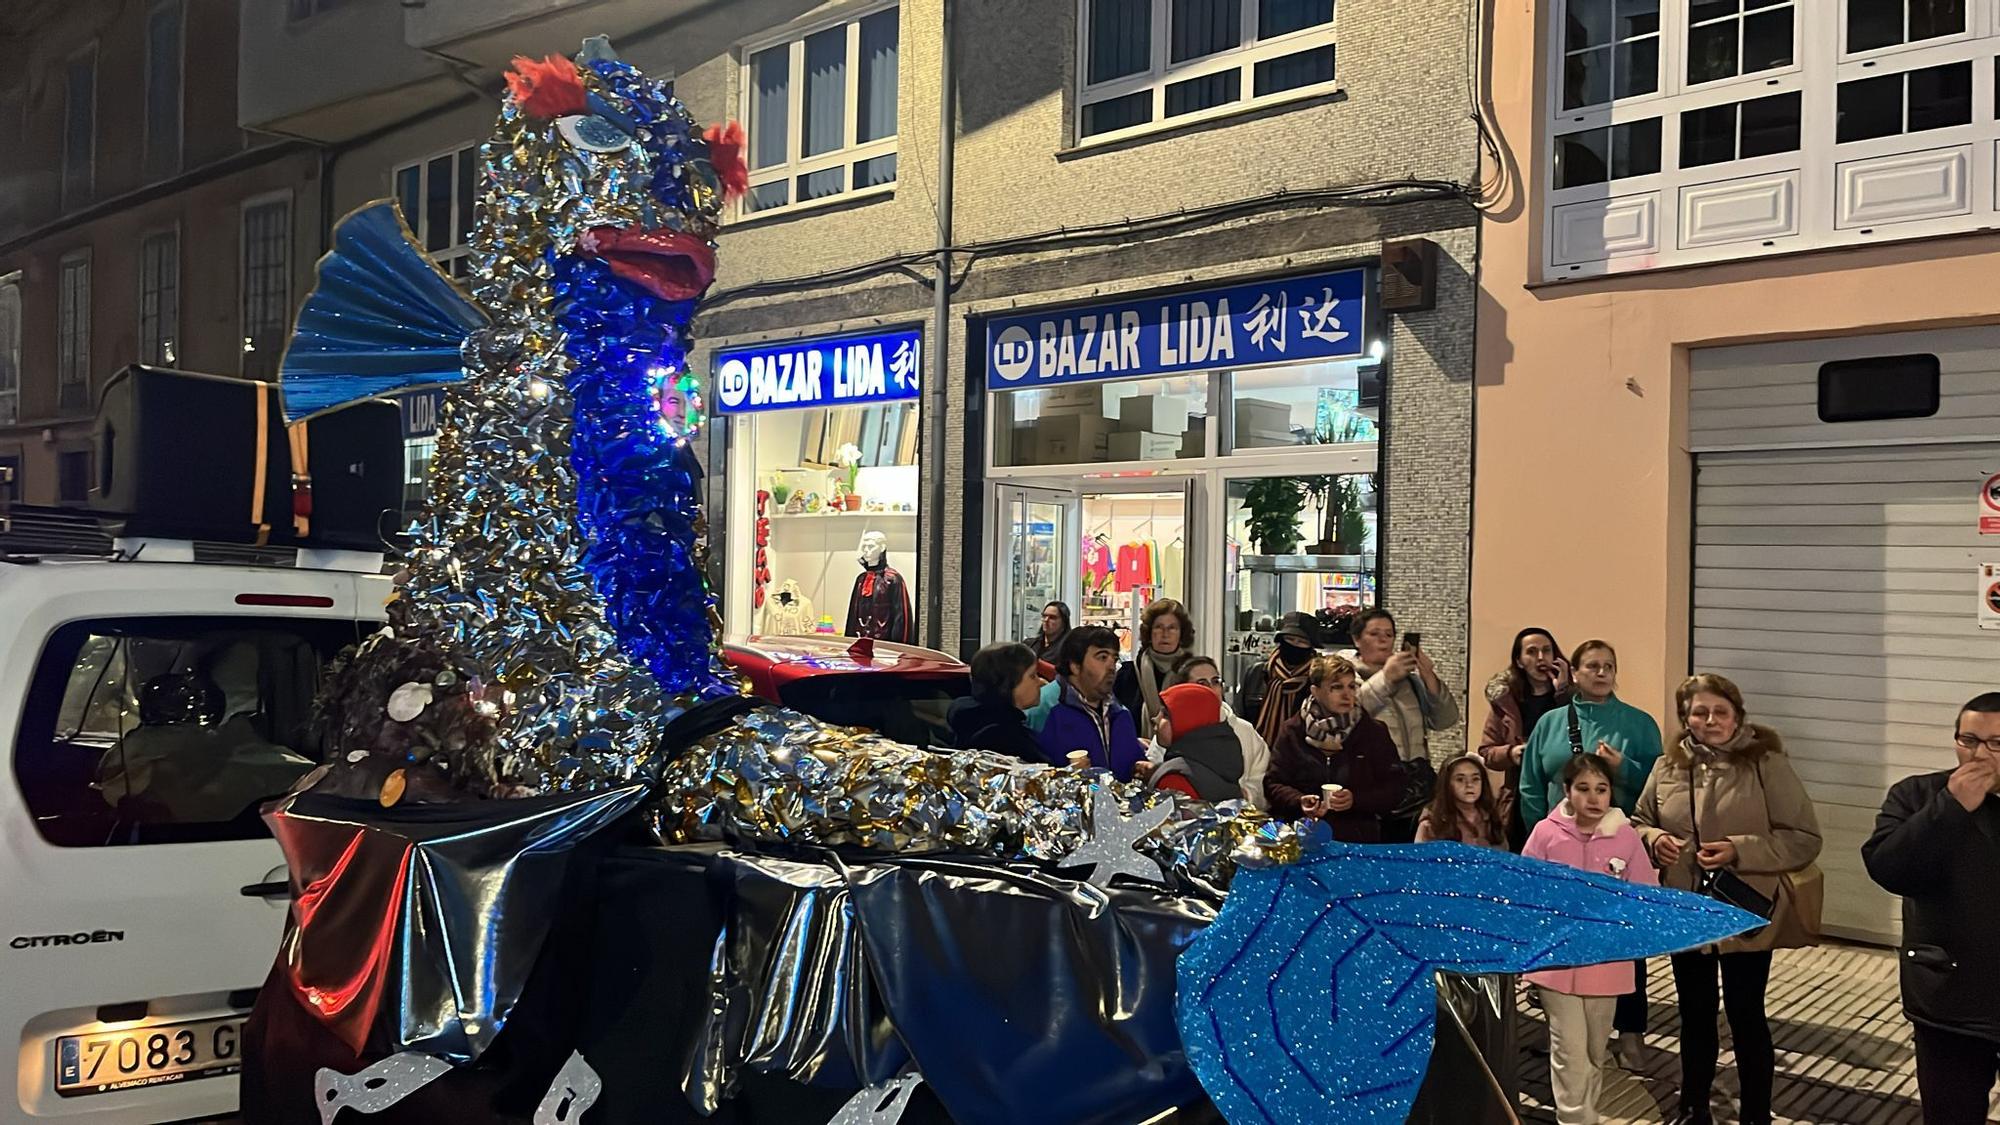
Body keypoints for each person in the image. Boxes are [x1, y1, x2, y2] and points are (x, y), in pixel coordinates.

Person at [1634, 674, 1821, 1125]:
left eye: (1720, 711)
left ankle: (1756, 1113)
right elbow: (1638, 819)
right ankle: (1693, 1106)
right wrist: (1653, 837)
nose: (1710, 720)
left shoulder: (1766, 763)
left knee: (1745, 1014)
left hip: (1743, 909)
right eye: (1699, 712)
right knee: (1694, 1015)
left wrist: (1741, 849)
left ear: (1737, 714)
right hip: (1686, 910)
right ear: (1685, 718)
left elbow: (1804, 839)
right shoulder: (1666, 767)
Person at [1519, 640, 1664, 1066]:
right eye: (1593, 666)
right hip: (1559, 849)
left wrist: (1625, 770)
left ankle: (1631, 1031)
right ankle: (1560, 1026)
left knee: (1621, 943)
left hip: (1616, 849)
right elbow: (1531, 782)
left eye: (1609, 666)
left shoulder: (1638, 724)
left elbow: (1658, 790)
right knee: (1561, 942)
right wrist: (1540, 837)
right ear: (1575, 673)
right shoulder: (1550, 722)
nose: (1602, 673)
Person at [1862, 692, 2000, 1125]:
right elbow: (1889, 869)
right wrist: (1949, 808)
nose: (1980, 754)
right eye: (1969, 740)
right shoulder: (1918, 795)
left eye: (1997, 743)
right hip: (1948, 999)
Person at [1523, 754, 1659, 1125]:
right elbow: (1524, 895)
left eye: (1601, 789)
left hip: (1606, 962)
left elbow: (1647, 894)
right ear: (1566, 791)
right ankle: (1575, 1120)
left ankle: (1587, 1113)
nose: (1593, 798)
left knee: (1595, 1050)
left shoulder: (1625, 835)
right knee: (1568, 1050)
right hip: (1557, 962)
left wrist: (1623, 918)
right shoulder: (1545, 833)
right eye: (1583, 789)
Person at [1264, 655, 1401, 842]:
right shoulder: (1293, 730)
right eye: (1336, 687)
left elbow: (1395, 787)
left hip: (1357, 839)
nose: (1347, 695)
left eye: (1351, 686)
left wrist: (1356, 800)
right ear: (1316, 691)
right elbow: (1273, 783)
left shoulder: (1372, 732)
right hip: (1302, 836)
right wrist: (1299, 800)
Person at [1480, 627, 1571, 851]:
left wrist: (1564, 692)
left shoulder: (1570, 697)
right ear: (1519, 661)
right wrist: (1511, 753)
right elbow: (1487, 752)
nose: (1541, 658)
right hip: (1519, 797)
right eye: (1532, 651)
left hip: (1563, 791)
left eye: (1546, 651)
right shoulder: (1506, 702)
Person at [1154, 654, 1270, 809]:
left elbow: (1264, 778)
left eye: (1216, 681)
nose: (1211, 688)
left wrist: (1243, 796)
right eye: (1201, 683)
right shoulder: (1167, 732)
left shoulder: (1244, 730)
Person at [1346, 607, 1460, 760]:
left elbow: (1445, 720)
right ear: (1356, 639)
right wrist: (1386, 678)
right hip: (1373, 774)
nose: (1383, 640)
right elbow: (1349, 717)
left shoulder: (1410, 682)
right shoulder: (1347, 678)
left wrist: (1428, 675)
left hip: (1414, 773)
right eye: (1374, 634)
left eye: (1389, 634)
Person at [1037, 625, 1145, 780]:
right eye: (1102, 657)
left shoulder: (1122, 715)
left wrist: (1143, 769)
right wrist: (1074, 778)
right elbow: (1039, 780)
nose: (1111, 667)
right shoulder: (1050, 712)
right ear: (1075, 665)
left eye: (1114, 659)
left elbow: (1132, 769)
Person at [947, 642, 1049, 764]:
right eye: (1032, 676)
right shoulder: (1006, 742)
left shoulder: (972, 724)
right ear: (1008, 684)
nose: (1040, 682)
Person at [1148, 682, 1248, 804]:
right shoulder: (1223, 762)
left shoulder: (1175, 780)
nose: (1155, 719)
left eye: (1165, 714)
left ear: (1186, 720)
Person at [1114, 598, 1193, 733]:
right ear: (1149, 633)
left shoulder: (1193, 673)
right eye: (1158, 627)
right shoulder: (1128, 674)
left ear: (1181, 634)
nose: (1165, 634)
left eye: (1172, 628)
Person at [1249, 611, 1320, 747]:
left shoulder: (1317, 679)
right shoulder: (1258, 673)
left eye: (1302, 642)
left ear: (1311, 646)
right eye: (1290, 639)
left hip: (1300, 755)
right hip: (1256, 751)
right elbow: (1242, 716)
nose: (1294, 645)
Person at [1416, 754, 1507, 847]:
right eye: (1460, 779)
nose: (1469, 785)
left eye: (1475, 779)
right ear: (1447, 784)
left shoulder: (1492, 817)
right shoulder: (1433, 822)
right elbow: (1421, 857)